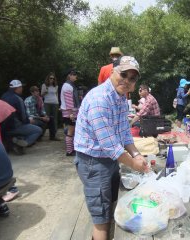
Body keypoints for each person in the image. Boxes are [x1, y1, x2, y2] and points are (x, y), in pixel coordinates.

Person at [74, 56, 149, 240]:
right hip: (93, 162)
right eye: (123, 74)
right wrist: (134, 164)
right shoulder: (99, 99)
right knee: (101, 218)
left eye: (132, 79)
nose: (127, 81)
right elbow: (110, 147)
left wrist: (136, 154)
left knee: (111, 204)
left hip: (110, 160)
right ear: (112, 71)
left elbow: (124, 131)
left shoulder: (121, 97)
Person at [1, 80, 42, 154]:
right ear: (18, 88)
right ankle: (20, 145)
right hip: (15, 127)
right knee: (37, 130)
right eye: (21, 87)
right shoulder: (18, 99)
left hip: (3, 128)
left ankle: (14, 140)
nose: (22, 88)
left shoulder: (3, 96)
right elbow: (23, 118)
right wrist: (29, 121)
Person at [60, 69, 80, 156]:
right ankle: (69, 151)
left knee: (71, 131)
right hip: (70, 113)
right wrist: (71, 113)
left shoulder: (68, 85)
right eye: (74, 74)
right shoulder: (68, 86)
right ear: (69, 75)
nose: (76, 76)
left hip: (69, 112)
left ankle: (71, 149)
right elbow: (69, 102)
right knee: (70, 131)